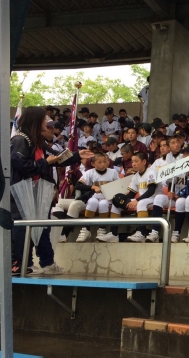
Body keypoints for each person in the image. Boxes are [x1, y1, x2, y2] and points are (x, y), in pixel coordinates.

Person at [10, 107, 91, 274]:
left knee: (42, 228)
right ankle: (21, 263)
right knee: (23, 229)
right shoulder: (20, 140)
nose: (47, 123)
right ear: (35, 121)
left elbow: (56, 158)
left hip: (37, 193)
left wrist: (77, 155)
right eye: (44, 120)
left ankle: (46, 263)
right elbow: (22, 165)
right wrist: (45, 163)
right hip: (22, 194)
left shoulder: (37, 141)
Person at [99, 152, 156, 243]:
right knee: (116, 205)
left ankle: (141, 233)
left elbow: (151, 191)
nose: (133, 164)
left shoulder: (151, 172)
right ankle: (113, 234)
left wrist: (136, 200)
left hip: (154, 198)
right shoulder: (135, 176)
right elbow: (131, 194)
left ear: (144, 162)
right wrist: (122, 199)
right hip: (142, 200)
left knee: (141, 203)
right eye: (132, 161)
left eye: (136, 161)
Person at [70, 152, 119, 242]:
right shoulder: (90, 172)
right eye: (99, 162)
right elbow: (78, 185)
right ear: (93, 164)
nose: (103, 164)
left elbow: (119, 186)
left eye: (104, 161)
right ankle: (86, 229)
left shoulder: (113, 172)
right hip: (94, 196)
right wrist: (92, 187)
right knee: (92, 202)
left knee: (103, 204)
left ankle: (102, 229)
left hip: (107, 197)